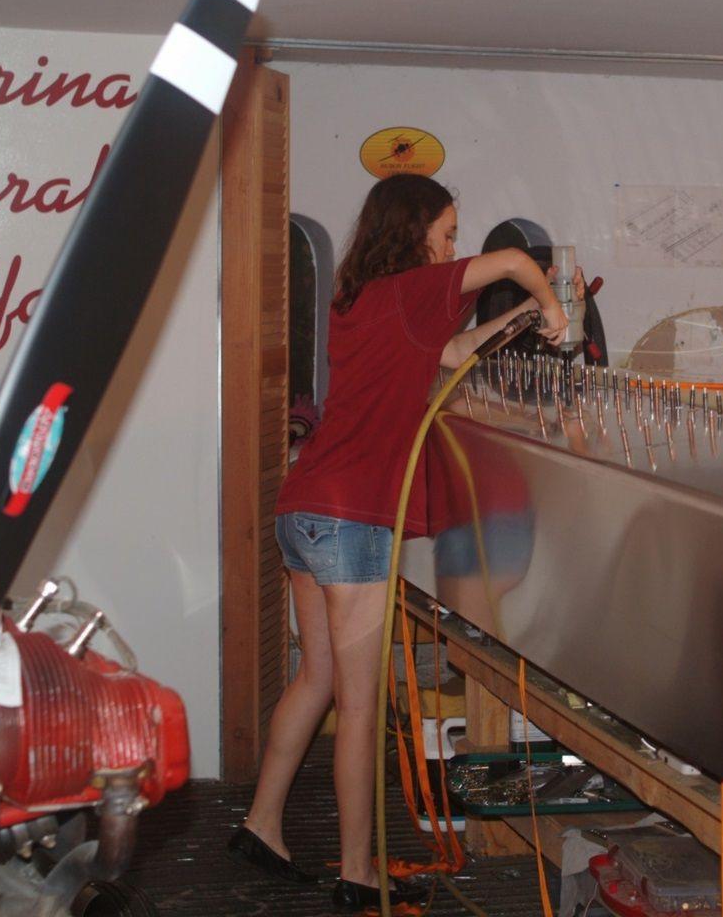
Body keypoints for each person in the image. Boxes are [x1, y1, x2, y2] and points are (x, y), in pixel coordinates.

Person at [226, 173, 576, 911]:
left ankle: (260, 825)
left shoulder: (362, 297)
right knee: (360, 704)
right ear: (417, 229)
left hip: (304, 507)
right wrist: (552, 308)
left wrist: (502, 330)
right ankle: (358, 874)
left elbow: (444, 357)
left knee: (314, 680)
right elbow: (516, 262)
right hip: (353, 518)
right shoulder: (418, 285)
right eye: (448, 232)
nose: (453, 245)